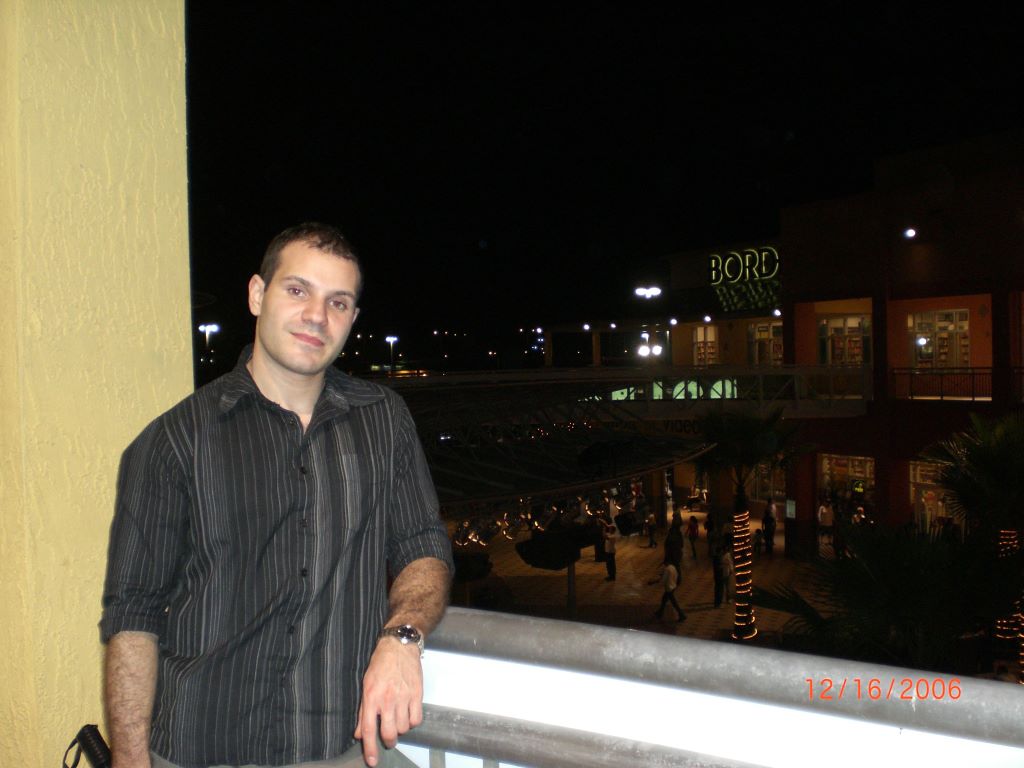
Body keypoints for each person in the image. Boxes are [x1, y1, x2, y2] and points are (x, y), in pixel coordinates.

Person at [100, 223, 455, 768]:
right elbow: (133, 613)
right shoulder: (174, 440)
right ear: (257, 294)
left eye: (338, 302)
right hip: (200, 749)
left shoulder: (384, 421)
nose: (317, 316)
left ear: (352, 319)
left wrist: (402, 638)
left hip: (337, 747)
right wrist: (129, 759)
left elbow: (423, 547)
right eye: (297, 290)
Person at [651, 557, 686, 622]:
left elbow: (663, 581)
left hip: (669, 588)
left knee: (673, 602)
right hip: (673, 586)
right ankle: (660, 612)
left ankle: (681, 614)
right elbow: (676, 575)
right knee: (664, 599)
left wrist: (655, 583)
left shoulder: (667, 569)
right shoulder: (673, 567)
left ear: (666, 562)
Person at [602, 513, 620, 581]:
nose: (609, 529)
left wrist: (604, 528)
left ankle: (612, 576)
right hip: (608, 551)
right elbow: (607, 525)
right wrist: (604, 523)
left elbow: (604, 536)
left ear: (612, 530)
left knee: (611, 565)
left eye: (610, 529)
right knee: (608, 564)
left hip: (610, 552)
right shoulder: (610, 533)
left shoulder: (613, 536)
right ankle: (610, 575)